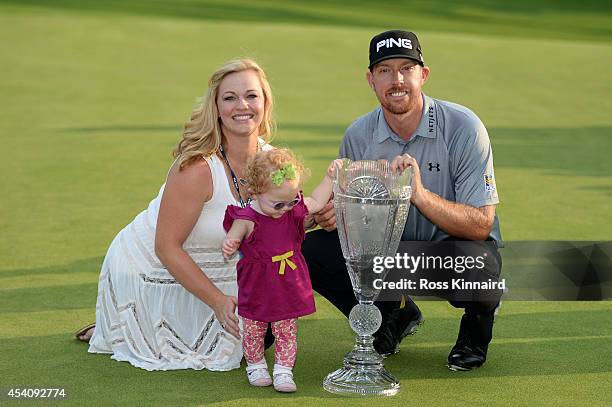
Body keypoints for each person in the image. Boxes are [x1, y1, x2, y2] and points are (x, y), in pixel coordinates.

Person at [303, 29, 502, 371]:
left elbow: (481, 224)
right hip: (388, 254)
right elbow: (350, 210)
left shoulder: (464, 127)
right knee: (311, 252)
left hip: (447, 252)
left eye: (406, 68)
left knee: (480, 269)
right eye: (384, 70)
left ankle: (474, 332)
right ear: (371, 79)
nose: (396, 80)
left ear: (423, 75)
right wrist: (338, 214)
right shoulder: (358, 135)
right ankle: (390, 314)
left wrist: (419, 195)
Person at [74, 58, 276, 371]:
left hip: (223, 268)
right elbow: (166, 247)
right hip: (154, 267)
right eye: (229, 97)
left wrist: (320, 214)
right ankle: (119, 323)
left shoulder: (271, 159)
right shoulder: (196, 168)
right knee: (229, 349)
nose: (242, 106)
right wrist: (219, 303)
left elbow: (282, 219)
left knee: (265, 334)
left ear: (265, 102)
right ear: (216, 108)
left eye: (251, 95)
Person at [222, 148, 341, 392]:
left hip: (288, 280)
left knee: (286, 329)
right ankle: (255, 364)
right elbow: (235, 231)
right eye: (278, 204)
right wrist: (231, 241)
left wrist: (329, 178)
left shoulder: (291, 208)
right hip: (258, 283)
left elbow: (317, 202)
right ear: (255, 192)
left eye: (293, 201)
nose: (286, 209)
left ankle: (284, 370)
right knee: (254, 328)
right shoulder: (247, 217)